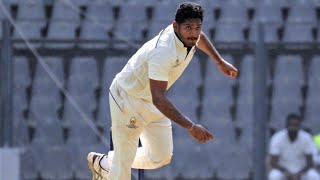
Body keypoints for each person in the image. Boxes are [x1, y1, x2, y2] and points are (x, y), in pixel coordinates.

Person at [87, 2, 238, 180]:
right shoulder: (164, 51)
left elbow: (200, 38)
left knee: (160, 156)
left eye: (197, 27)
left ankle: (105, 163)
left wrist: (219, 61)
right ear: (175, 26)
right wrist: (191, 127)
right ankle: (118, 163)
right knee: (122, 171)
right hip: (127, 98)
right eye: (188, 28)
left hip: (151, 100)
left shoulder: (191, 36)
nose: (193, 33)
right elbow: (159, 99)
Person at [268, 114, 320, 180]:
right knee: (274, 176)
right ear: (286, 126)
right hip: (283, 171)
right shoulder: (277, 138)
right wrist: (286, 172)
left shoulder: (306, 138)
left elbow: (310, 163)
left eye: (296, 125)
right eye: (291, 125)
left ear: (299, 126)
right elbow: (273, 163)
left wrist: (299, 174)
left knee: (314, 176)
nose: (293, 128)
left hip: (302, 171)